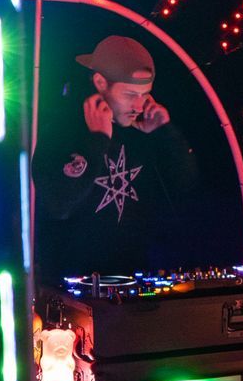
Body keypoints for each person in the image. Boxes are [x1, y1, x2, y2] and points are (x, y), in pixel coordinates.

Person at [34, 34, 200, 280]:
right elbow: (58, 206)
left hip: (134, 280)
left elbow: (186, 189)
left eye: (145, 95)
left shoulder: (142, 128)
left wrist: (167, 133)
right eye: (131, 94)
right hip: (73, 286)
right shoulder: (62, 128)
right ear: (100, 82)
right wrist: (98, 140)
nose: (140, 105)